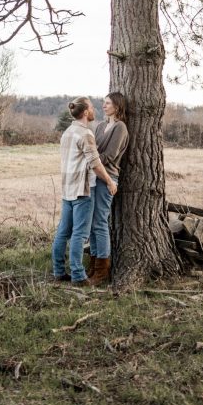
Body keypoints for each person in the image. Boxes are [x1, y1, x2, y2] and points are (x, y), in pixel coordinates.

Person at [51, 97, 117, 286]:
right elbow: (95, 164)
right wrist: (110, 182)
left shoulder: (67, 132)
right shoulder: (85, 134)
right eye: (91, 107)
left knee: (63, 233)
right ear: (86, 112)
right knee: (80, 234)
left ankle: (58, 271)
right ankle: (78, 276)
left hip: (67, 190)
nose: (95, 109)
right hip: (82, 190)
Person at [87, 91, 129, 286]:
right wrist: (91, 161)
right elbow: (92, 149)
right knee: (92, 223)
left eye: (108, 103)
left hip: (108, 178)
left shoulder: (120, 128)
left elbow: (110, 155)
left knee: (100, 222)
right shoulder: (101, 126)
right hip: (94, 176)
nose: (104, 106)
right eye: (103, 102)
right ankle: (93, 264)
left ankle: (102, 270)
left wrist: (89, 161)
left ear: (117, 106)